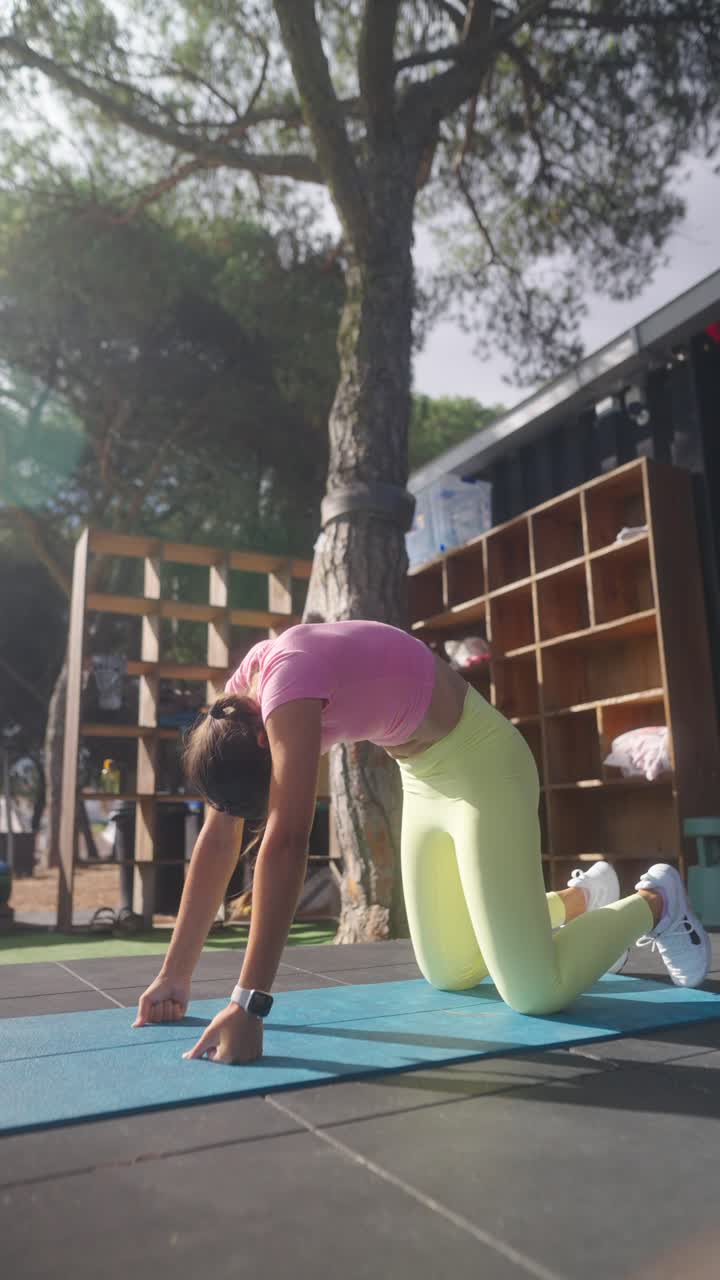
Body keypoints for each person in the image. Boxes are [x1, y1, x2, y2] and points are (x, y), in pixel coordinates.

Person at [133, 620, 711, 1064]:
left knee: (535, 990)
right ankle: (579, 901)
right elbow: (217, 837)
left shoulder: (286, 689)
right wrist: (175, 974)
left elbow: (284, 843)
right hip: (423, 780)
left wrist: (248, 1003)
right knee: (450, 969)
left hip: (485, 765)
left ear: (265, 745)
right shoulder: (237, 705)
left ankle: (655, 903)